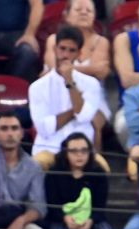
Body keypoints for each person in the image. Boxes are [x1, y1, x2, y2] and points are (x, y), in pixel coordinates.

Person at [28, 26, 103, 165]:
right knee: (38, 164)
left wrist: (70, 82)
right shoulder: (37, 87)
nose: (66, 55)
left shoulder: (92, 84)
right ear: (55, 49)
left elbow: (82, 116)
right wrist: (75, 108)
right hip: (48, 149)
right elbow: (44, 128)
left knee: (103, 167)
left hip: (82, 151)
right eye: (62, 48)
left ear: (79, 53)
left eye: (71, 50)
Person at [43, 131, 112, 229]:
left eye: (84, 150)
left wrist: (90, 221)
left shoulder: (98, 173)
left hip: (92, 221)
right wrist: (66, 218)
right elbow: (52, 205)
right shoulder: (54, 174)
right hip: (62, 220)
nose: (79, 155)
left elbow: (100, 206)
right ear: (65, 153)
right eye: (74, 151)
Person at [41, 0, 110, 88]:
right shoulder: (53, 39)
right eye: (78, 10)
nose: (84, 13)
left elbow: (101, 73)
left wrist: (68, 69)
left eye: (89, 10)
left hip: (91, 94)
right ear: (66, 15)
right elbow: (54, 70)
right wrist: (91, 69)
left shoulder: (101, 41)